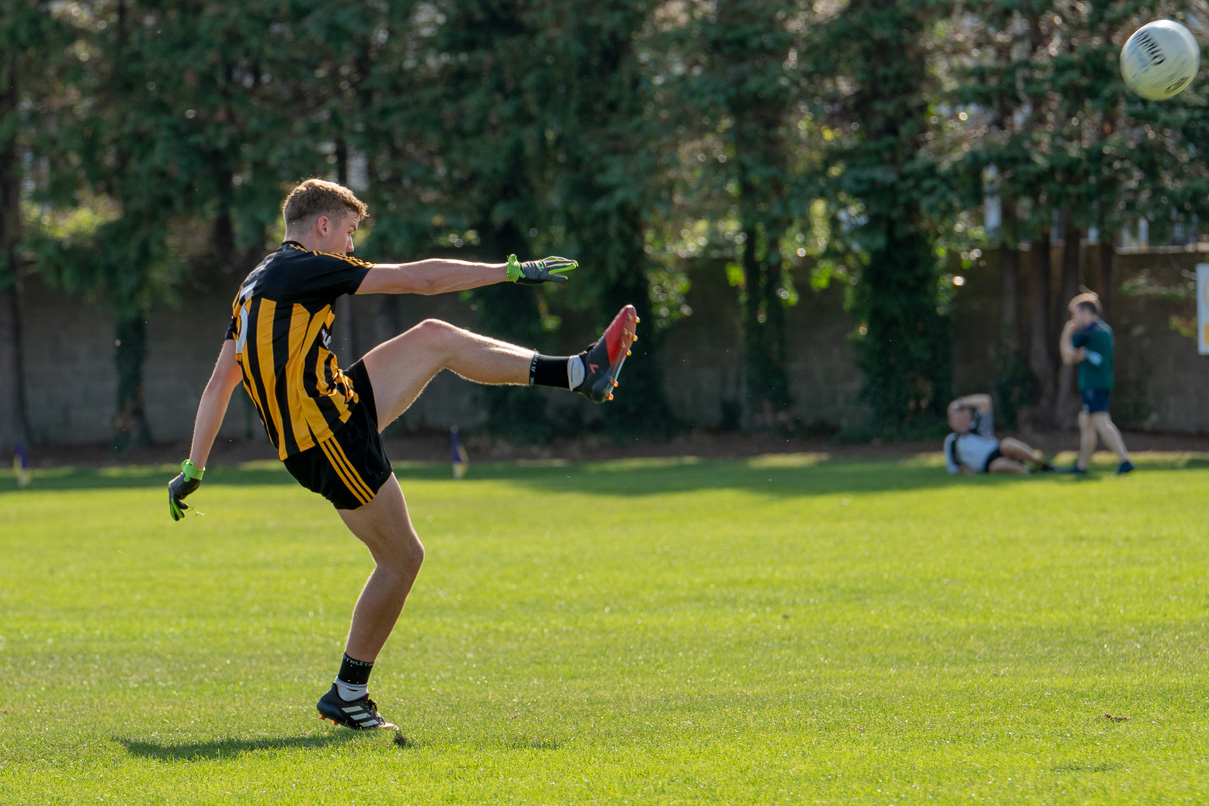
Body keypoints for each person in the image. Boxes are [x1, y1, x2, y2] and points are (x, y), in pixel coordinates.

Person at [166, 179, 638, 731]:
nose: (349, 244)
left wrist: (193, 468)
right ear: (322, 226)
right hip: (327, 439)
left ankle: (580, 373)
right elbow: (422, 278)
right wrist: (511, 271)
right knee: (402, 560)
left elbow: (222, 379)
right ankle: (348, 693)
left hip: (335, 408)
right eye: (347, 231)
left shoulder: (256, 283)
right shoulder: (305, 266)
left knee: (433, 337)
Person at [1059, 292, 1135, 475]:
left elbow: (1067, 356)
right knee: (1086, 422)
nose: (1074, 318)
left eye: (1075, 313)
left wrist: (1067, 331)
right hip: (1098, 383)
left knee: (1101, 421)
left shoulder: (1090, 331)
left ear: (1086, 312)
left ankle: (1125, 460)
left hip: (1094, 385)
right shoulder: (1103, 330)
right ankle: (1082, 466)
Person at [944, 393, 1052, 475]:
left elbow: (985, 400)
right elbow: (953, 468)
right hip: (988, 464)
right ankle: (1027, 472)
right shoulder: (952, 442)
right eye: (958, 420)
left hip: (999, 449)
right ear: (951, 422)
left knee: (1007, 444)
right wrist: (965, 471)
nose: (962, 422)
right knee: (998, 465)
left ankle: (1040, 463)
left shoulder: (979, 427)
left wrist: (959, 402)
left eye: (964, 418)